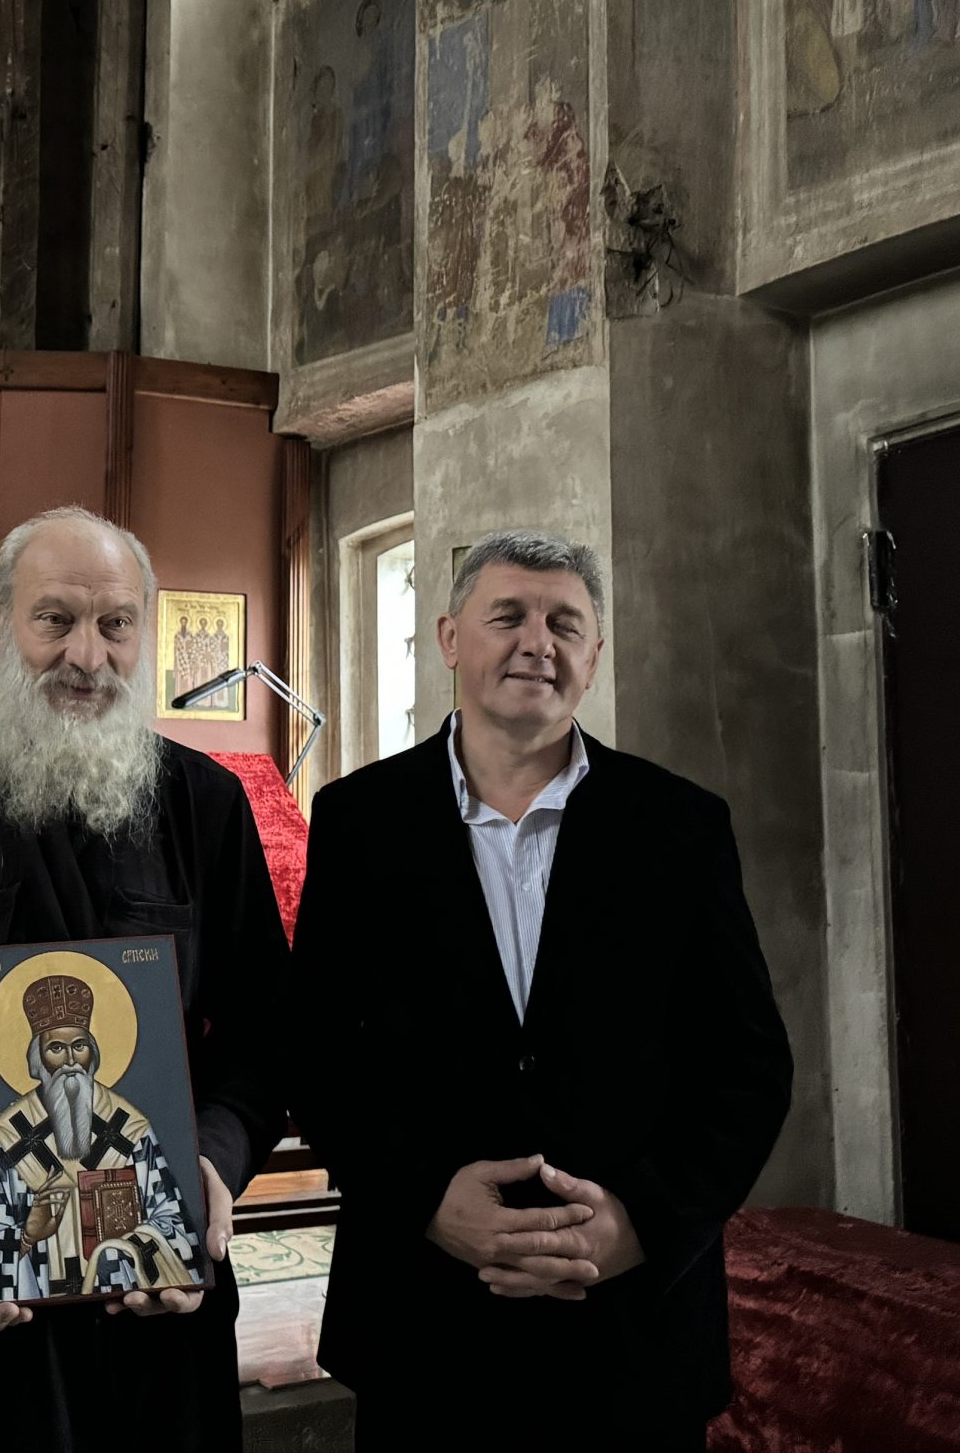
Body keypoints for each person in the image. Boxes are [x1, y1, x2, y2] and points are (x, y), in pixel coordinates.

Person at [291, 529, 793, 1448]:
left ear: (593, 655)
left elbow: (748, 1065)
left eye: (565, 623)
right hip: (423, 1326)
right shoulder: (359, 821)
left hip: (629, 1334)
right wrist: (426, 1200)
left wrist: (639, 1223)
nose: (537, 643)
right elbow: (318, 1054)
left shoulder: (680, 825)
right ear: (449, 638)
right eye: (508, 616)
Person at [0, 505, 291, 1452]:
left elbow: (267, 1038)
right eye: (56, 620)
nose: (87, 655)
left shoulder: (205, 803)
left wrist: (207, 1161)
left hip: (154, 1291)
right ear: (0, 627)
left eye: (116, 624)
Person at [0, 972, 202, 1304]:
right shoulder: (7, 1134)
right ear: (37, 1059)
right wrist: (26, 1236)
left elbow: (173, 1221)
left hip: (125, 1303)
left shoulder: (129, 1128)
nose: (71, 1061)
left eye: (79, 1046)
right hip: (35, 1312)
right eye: (56, 1048)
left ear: (93, 1053)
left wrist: (123, 1247)